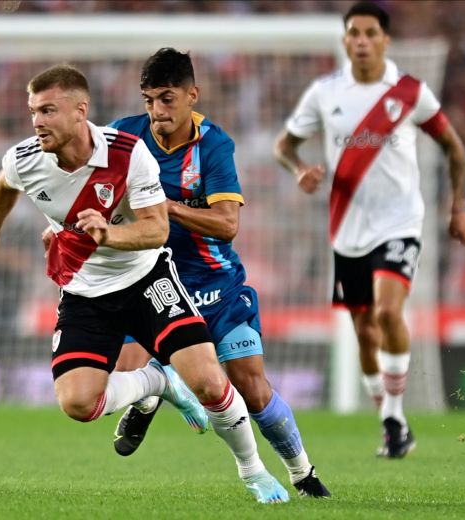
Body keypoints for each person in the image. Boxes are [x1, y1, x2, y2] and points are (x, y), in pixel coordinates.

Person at [0, 64, 289, 504]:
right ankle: (156, 383)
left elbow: (156, 231)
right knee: (78, 404)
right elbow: (3, 185)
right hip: (83, 291)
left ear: (80, 112)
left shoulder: (127, 153)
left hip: (146, 279)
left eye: (48, 111)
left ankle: (253, 472)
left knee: (211, 383)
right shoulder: (25, 159)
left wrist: (107, 235)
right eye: (33, 111)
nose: (37, 121)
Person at [103, 48, 330, 498]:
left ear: (192, 95)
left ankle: (302, 473)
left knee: (252, 388)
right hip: (150, 282)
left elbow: (227, 223)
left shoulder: (214, 145)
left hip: (213, 285)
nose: (156, 111)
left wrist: (163, 207)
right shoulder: (122, 137)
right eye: (149, 100)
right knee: (117, 378)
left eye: (166, 99)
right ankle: (157, 387)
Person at [273, 1, 465, 458]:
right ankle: (390, 419)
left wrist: (458, 207)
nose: (361, 41)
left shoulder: (408, 91)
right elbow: (283, 146)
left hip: (401, 221)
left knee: (388, 313)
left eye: (369, 33)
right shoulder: (325, 92)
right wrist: (299, 169)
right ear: (345, 40)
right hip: (347, 228)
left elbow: (454, 147)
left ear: (385, 39)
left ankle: (395, 415)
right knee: (364, 331)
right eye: (354, 33)